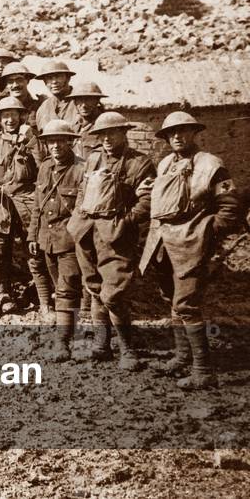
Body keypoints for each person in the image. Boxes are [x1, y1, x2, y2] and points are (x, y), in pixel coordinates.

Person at [141, 112, 240, 389]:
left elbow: (230, 207)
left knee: (187, 304)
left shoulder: (211, 165)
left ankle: (203, 370)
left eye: (183, 131)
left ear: (194, 133)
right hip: (164, 241)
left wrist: (207, 233)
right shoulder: (165, 164)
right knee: (171, 298)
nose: (177, 137)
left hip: (192, 243)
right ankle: (182, 357)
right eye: (171, 133)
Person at [67, 111, 155, 371]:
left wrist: (127, 221)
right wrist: (78, 219)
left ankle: (127, 350)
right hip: (87, 231)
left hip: (116, 236)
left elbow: (148, 200)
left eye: (111, 133)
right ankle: (101, 346)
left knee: (114, 293)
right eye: (101, 134)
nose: (106, 139)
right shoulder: (93, 158)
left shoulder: (139, 163)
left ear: (123, 133)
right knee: (93, 288)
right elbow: (83, 192)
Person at [0, 97, 48, 322]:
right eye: (5, 116)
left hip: (26, 204)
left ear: (21, 117)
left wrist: (32, 142)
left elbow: (44, 169)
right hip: (0, 205)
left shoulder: (34, 141)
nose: (10, 120)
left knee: (34, 252)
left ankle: (45, 304)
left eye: (14, 115)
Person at [27, 120, 86, 361]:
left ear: (70, 141)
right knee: (61, 287)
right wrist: (32, 234)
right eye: (51, 141)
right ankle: (73, 329)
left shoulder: (81, 169)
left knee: (66, 288)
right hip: (47, 238)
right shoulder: (45, 167)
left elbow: (83, 210)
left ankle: (63, 342)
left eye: (61, 140)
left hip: (70, 239)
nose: (55, 145)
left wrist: (76, 236)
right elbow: (38, 206)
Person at [35, 59, 80, 133]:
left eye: (58, 77)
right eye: (49, 78)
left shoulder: (81, 101)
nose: (54, 81)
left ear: (68, 78)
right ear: (45, 82)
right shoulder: (43, 108)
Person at [67, 80, 107, 159]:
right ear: (74, 102)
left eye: (89, 100)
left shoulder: (106, 126)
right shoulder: (72, 127)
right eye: (80, 100)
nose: (84, 105)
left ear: (97, 101)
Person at [0, 62, 42, 129]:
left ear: (27, 81)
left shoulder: (39, 107)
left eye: (19, 80)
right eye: (10, 81)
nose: (15, 85)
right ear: (6, 84)